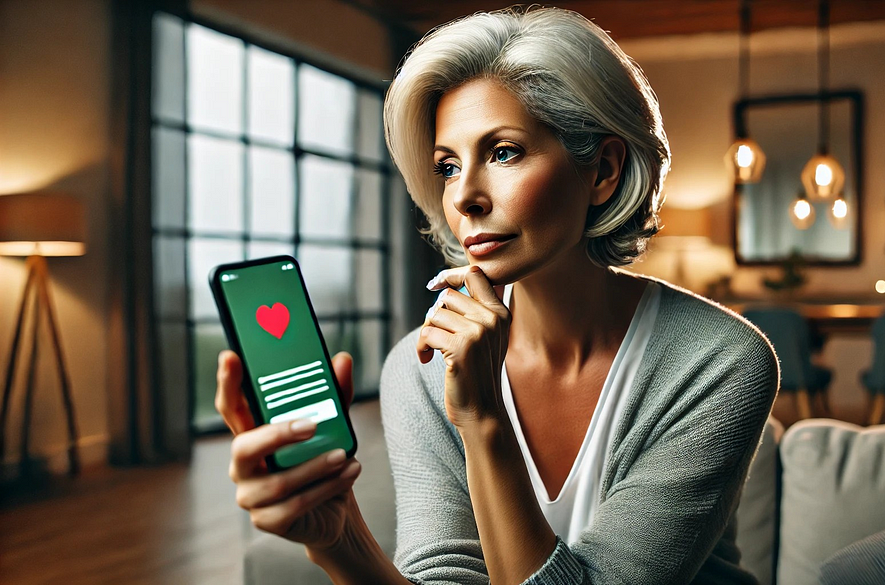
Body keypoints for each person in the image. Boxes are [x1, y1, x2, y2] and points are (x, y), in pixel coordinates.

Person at [215, 6, 779, 584]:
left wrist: (483, 418)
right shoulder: (421, 369)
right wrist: (340, 542)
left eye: (504, 152)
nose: (464, 198)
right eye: (448, 165)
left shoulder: (720, 361)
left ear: (603, 171)